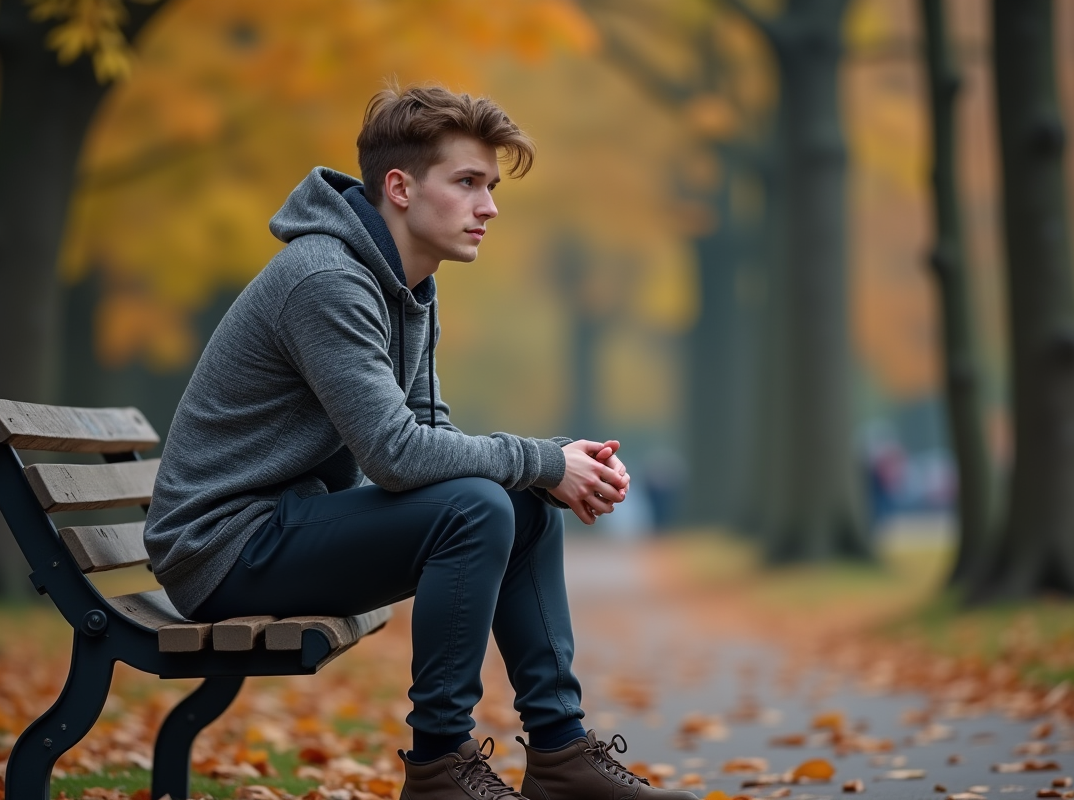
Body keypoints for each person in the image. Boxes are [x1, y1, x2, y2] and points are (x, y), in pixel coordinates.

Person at [144, 83, 697, 800]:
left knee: (520, 504)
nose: (489, 206)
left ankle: (560, 753)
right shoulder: (325, 280)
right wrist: (542, 460)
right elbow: (397, 456)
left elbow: (431, 434)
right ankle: (439, 765)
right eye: (467, 183)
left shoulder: (407, 286)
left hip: (282, 527)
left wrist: (549, 467)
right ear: (400, 188)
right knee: (479, 506)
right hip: (222, 551)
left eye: (491, 186)